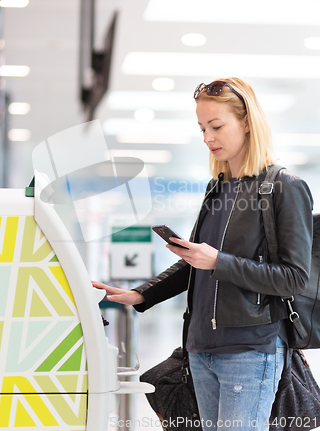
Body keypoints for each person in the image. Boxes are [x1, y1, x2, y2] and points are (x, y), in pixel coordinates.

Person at [92, 78, 313, 431]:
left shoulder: (284, 188)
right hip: (200, 349)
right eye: (202, 128)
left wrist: (219, 262)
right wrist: (141, 294)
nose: (207, 138)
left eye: (216, 126)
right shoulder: (218, 189)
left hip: (250, 350)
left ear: (246, 123)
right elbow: (193, 263)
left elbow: (294, 277)